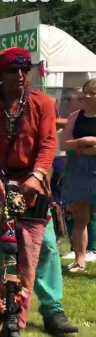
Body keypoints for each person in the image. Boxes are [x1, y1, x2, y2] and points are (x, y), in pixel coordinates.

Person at [0, 47, 77, 337]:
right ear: (0, 75)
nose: (20, 75)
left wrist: (38, 175)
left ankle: (53, 311)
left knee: (47, 248)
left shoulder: (43, 102)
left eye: (24, 70)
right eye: (13, 71)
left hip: (33, 184)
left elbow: (48, 142)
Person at [54, 90, 96, 262]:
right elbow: (63, 143)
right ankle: (80, 261)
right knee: (80, 217)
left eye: (91, 93)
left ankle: (91, 250)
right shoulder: (75, 117)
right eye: (84, 93)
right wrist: (82, 143)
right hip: (78, 169)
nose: (86, 97)